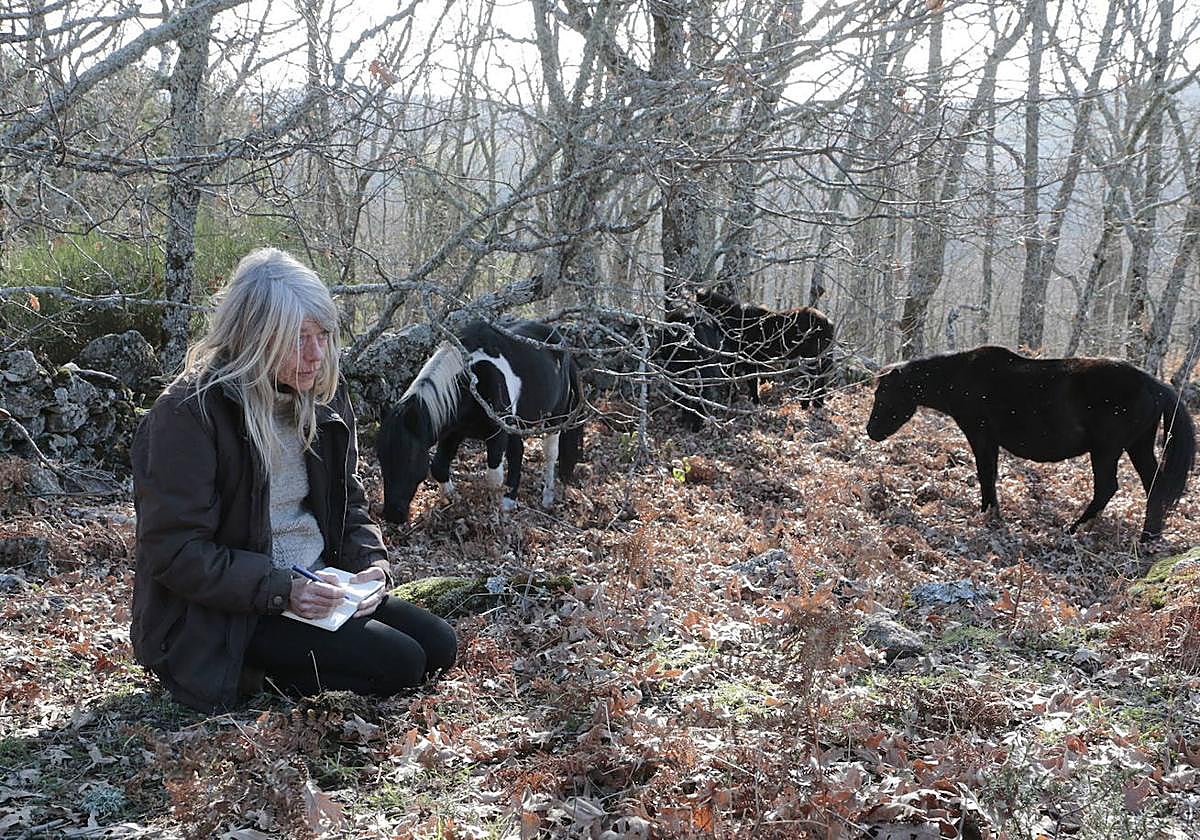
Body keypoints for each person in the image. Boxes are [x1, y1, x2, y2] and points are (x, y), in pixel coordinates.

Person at [131, 247, 457, 711]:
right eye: (298, 339)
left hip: (321, 589)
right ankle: (251, 674)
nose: (316, 355)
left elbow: (350, 501)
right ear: (254, 337)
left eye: (322, 336)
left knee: (440, 646)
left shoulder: (318, 396)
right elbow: (177, 552)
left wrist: (371, 567)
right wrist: (283, 589)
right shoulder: (187, 415)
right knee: (401, 663)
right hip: (229, 615)